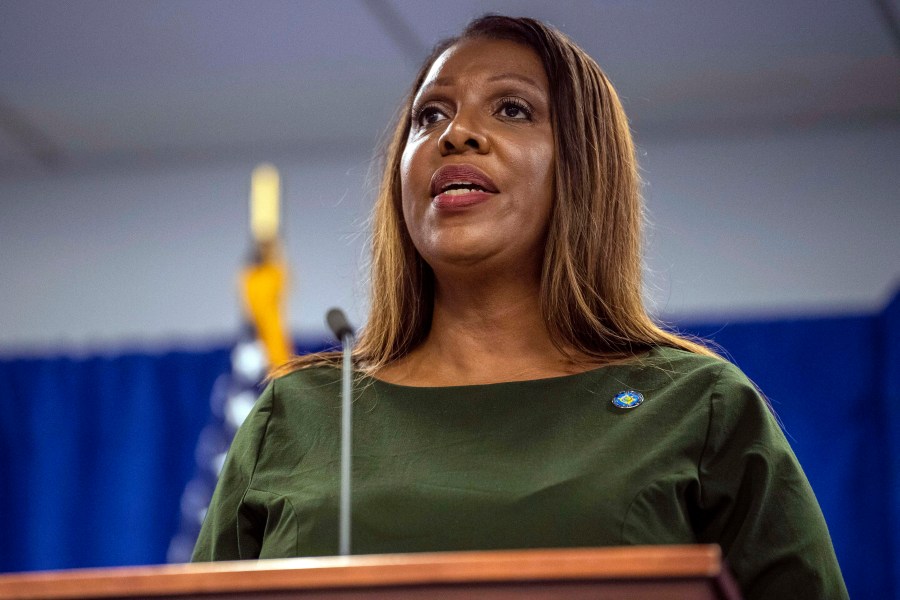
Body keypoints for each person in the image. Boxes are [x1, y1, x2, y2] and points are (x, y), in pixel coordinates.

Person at [192, 15, 848, 599]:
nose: (456, 135)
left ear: (582, 169)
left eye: (511, 110)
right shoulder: (297, 415)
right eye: (430, 116)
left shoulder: (699, 408)